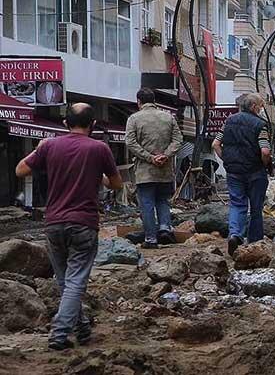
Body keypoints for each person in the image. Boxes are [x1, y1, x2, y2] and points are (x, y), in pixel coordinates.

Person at [15, 103, 123, 350]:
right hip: (84, 224)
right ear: (93, 125)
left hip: (54, 223)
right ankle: (59, 333)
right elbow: (116, 184)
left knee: (66, 282)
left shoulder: (50, 145)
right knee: (75, 282)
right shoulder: (100, 148)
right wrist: (100, 176)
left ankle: (82, 328)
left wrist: (39, 148)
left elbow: (20, 170)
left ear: (65, 124)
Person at [212, 93, 272, 256]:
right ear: (253, 107)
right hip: (255, 171)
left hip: (234, 171)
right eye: (260, 106)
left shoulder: (229, 121)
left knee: (237, 204)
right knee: (256, 208)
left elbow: (215, 144)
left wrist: (227, 160)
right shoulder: (260, 125)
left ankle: (235, 234)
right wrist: (265, 164)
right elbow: (265, 151)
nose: (261, 109)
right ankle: (254, 242)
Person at [125, 87, 183, 249]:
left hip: (145, 170)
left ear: (139, 102)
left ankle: (151, 239)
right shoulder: (168, 117)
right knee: (163, 200)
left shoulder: (134, 119)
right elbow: (178, 140)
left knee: (147, 203)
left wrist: (149, 157)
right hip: (165, 169)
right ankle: (165, 228)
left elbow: (130, 143)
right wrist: (165, 155)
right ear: (154, 101)